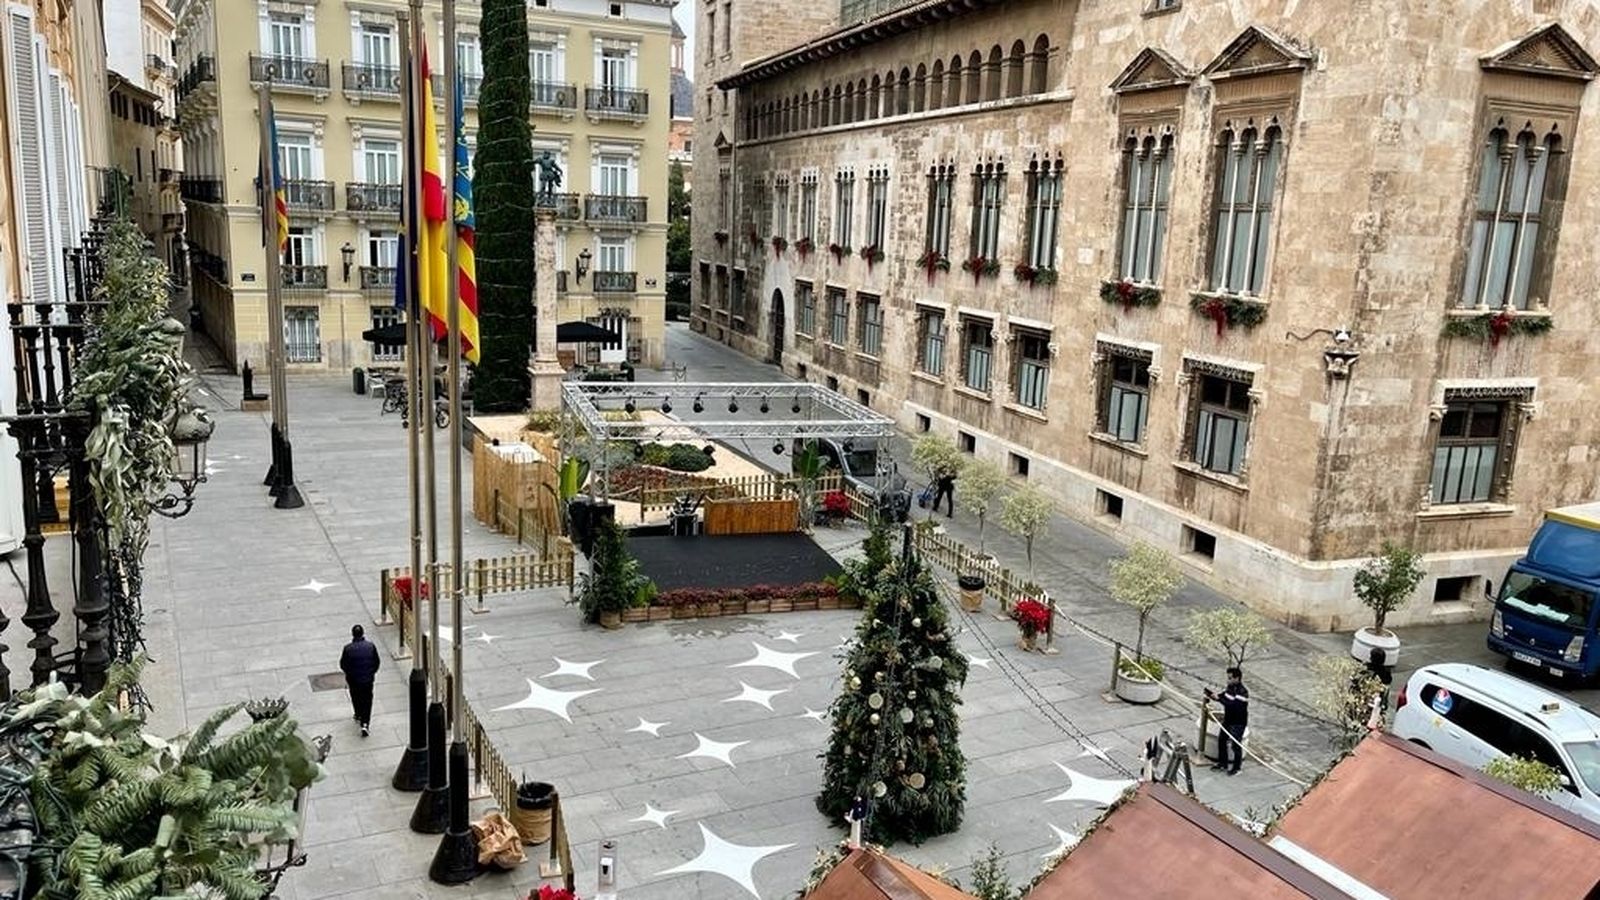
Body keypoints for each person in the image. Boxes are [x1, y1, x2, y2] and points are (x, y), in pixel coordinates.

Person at [1204, 667, 1249, 775]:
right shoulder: (1230, 688)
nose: (1228, 680)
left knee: (1235, 745)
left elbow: (1233, 705)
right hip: (1228, 719)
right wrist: (1214, 696)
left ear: (1237, 678)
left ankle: (1237, 768)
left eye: (1230, 678)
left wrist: (1219, 699)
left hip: (1238, 722)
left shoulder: (1242, 692)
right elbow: (1224, 695)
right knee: (1222, 740)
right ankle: (1222, 763)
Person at [340, 624, 380, 737]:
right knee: (367, 700)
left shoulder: (348, 649)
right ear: (363, 633)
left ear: (353, 634)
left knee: (356, 696)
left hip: (354, 679)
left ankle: (358, 713)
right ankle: (365, 723)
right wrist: (371, 672)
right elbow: (376, 662)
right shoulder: (371, 646)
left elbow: (343, 664)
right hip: (367, 679)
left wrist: (350, 674)